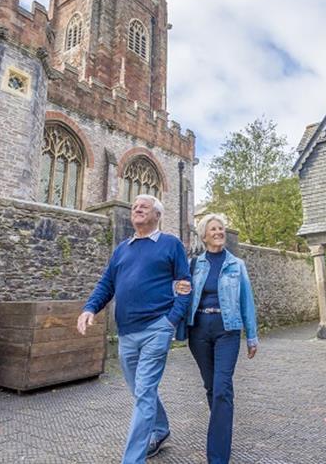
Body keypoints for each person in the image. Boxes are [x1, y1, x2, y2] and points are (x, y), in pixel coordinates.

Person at [77, 195, 191, 464]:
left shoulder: (170, 244)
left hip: (156, 329)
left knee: (144, 392)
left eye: (144, 206)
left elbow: (185, 285)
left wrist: (170, 321)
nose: (137, 208)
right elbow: (107, 284)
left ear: (157, 215)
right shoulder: (122, 249)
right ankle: (160, 430)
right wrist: (90, 308)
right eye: (135, 206)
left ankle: (132, 459)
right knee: (141, 391)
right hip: (127, 333)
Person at [180, 213, 258, 464]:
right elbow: (182, 294)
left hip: (228, 329)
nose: (219, 232)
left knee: (223, 388)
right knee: (212, 388)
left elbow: (246, 301)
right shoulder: (194, 264)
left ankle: (217, 456)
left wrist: (252, 336)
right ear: (204, 235)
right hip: (199, 331)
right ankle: (222, 433)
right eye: (213, 229)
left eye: (221, 228)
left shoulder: (236, 264)